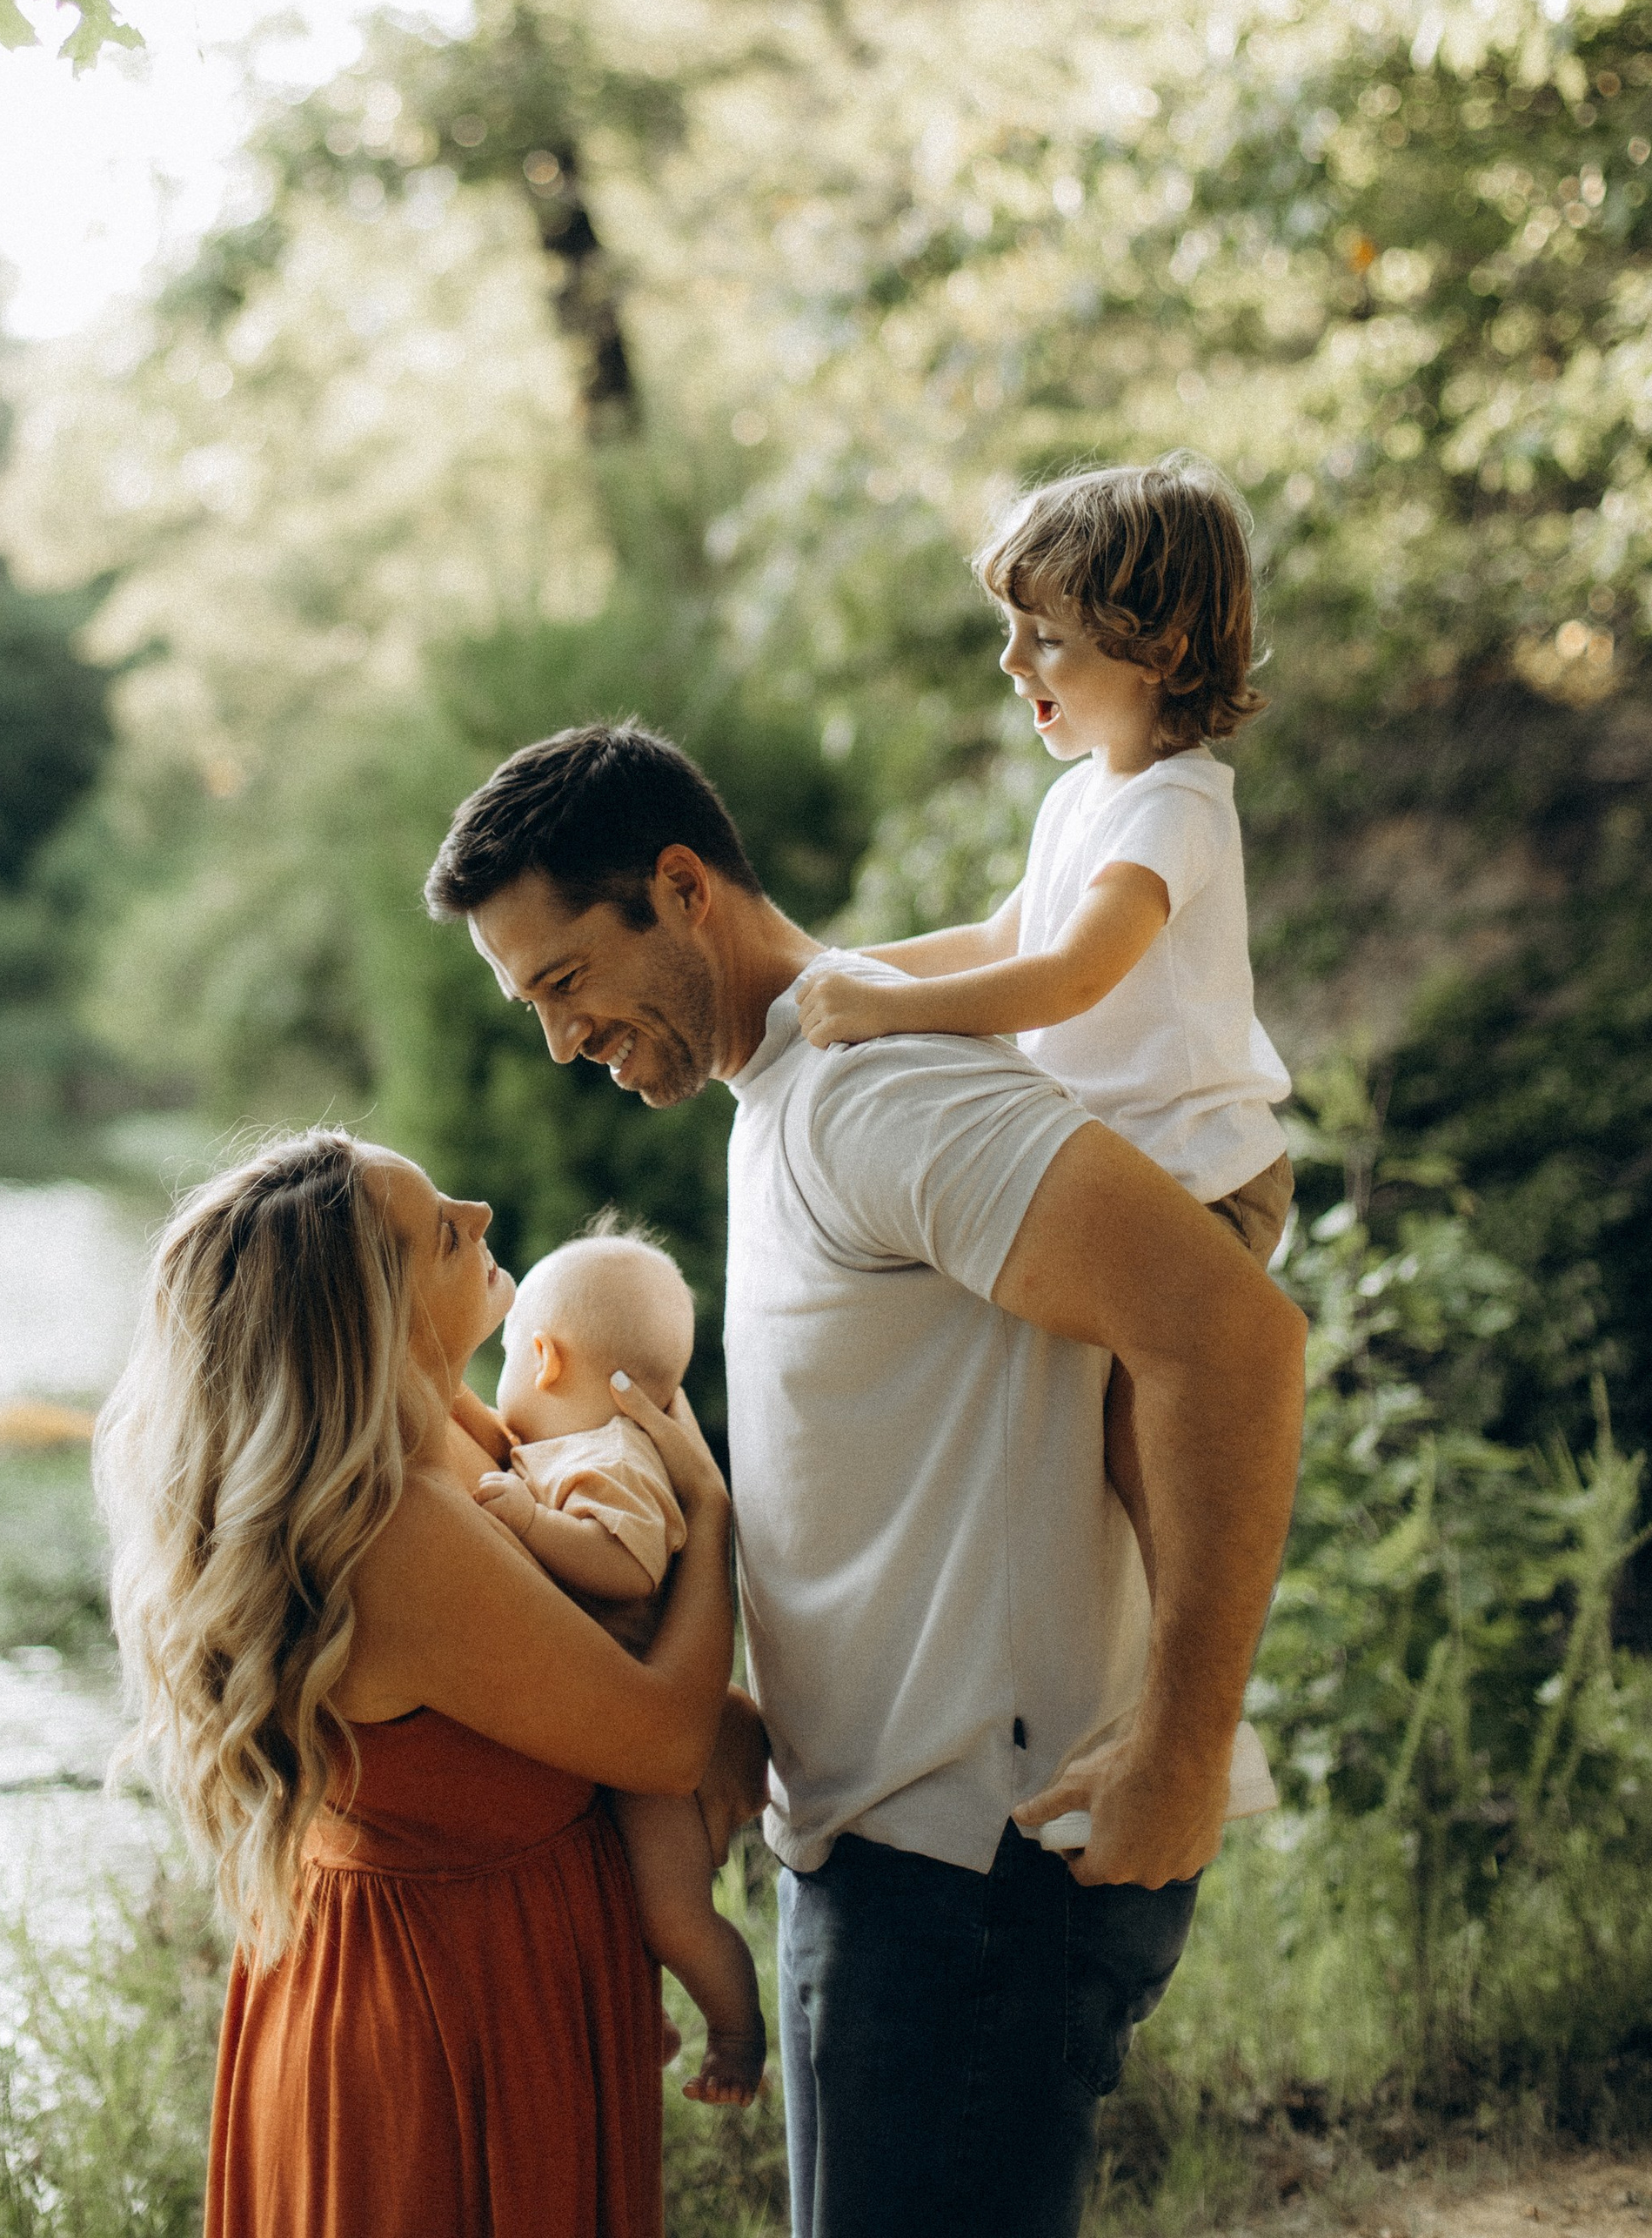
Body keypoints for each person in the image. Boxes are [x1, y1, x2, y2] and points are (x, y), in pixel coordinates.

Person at [426, 720, 1307, 2238]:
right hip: (885, 1866)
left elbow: (1233, 1341)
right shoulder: (786, 1099)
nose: (560, 1040)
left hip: (976, 1878)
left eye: (565, 983)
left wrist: (1183, 1743)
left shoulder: (881, 1094)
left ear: (683, 887)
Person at [94, 1127, 748, 2238]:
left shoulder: (446, 1428)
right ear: (376, 1323)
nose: (484, 1215)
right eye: (446, 1232)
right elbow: (663, 1741)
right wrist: (713, 1517)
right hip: (451, 2010)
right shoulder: (396, 1529)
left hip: (483, 1964)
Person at [792, 454, 1294, 1568]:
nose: (1011, 660)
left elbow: (1071, 974)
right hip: (1122, 1165)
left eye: (1047, 636)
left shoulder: (1176, 808)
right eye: (1012, 629)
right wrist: (824, 967)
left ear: (1158, 651)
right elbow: (996, 941)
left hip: (1202, 1172)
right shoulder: (1084, 796)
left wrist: (887, 1013)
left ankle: (1189, 1653)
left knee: (1140, 1427)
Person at [472, 1222, 768, 2103]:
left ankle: (738, 2033)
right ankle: (652, 2019)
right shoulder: (556, 1454)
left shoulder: (607, 1462)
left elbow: (625, 1563)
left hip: (652, 1752)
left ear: (543, 1358)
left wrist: (529, 1523)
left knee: (671, 1910)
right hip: (607, 1726)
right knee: (614, 1898)